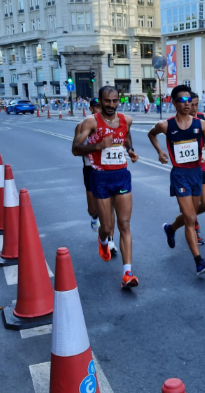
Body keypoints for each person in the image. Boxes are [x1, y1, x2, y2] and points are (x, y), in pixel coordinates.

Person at [71, 86, 139, 288]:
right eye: (107, 101)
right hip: (100, 177)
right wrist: (98, 146)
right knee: (107, 228)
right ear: (100, 101)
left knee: (124, 225)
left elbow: (126, 137)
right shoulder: (91, 122)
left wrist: (131, 150)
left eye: (115, 101)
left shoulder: (127, 120)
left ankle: (127, 273)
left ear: (119, 100)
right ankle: (102, 240)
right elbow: (75, 148)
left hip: (122, 176)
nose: (111, 105)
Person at [148, 85, 205, 276]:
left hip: (197, 172)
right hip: (180, 174)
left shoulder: (201, 124)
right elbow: (151, 134)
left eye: (190, 101)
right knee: (190, 218)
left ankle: (171, 229)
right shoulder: (166, 125)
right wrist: (160, 151)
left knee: (193, 213)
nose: (187, 105)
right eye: (183, 101)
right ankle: (198, 261)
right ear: (174, 102)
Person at [71, 98, 118, 257]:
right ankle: (94, 217)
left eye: (102, 107)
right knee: (93, 209)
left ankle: (110, 240)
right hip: (90, 170)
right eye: (97, 107)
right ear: (91, 109)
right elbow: (76, 150)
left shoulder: (111, 124)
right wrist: (96, 147)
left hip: (108, 170)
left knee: (110, 206)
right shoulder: (82, 126)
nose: (100, 110)